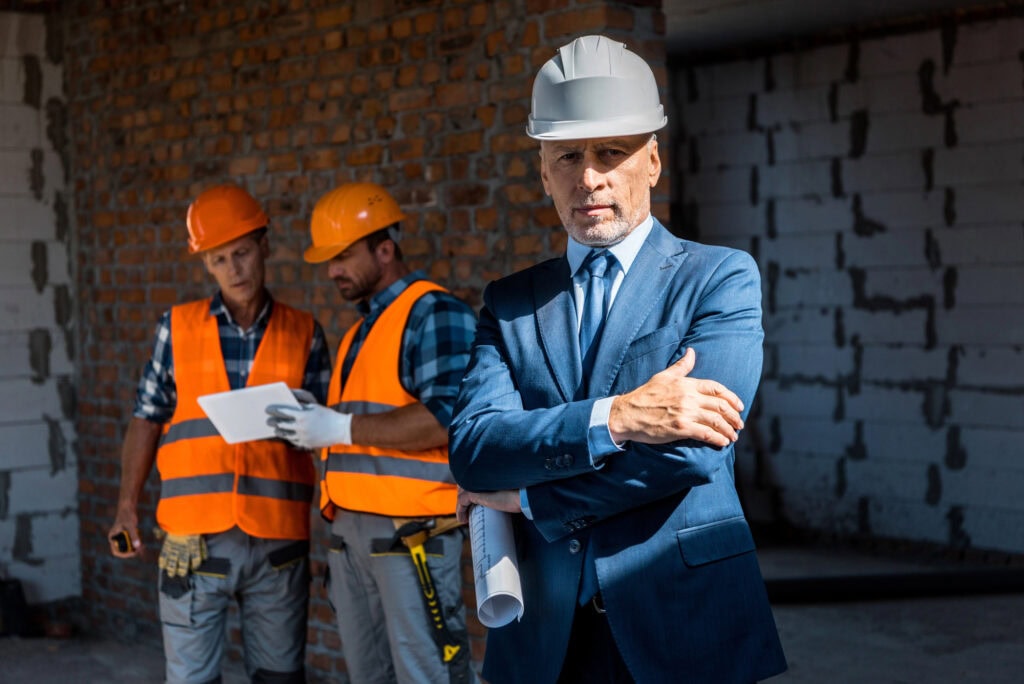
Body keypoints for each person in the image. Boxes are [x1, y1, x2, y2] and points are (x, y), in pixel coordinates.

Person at [448, 35, 788, 684]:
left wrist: (528, 498)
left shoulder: (718, 280)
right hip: (547, 639)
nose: (589, 177)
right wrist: (618, 417)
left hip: (684, 625)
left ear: (653, 162)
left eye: (612, 152)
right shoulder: (512, 302)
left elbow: (692, 453)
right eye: (567, 155)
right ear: (543, 171)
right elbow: (473, 450)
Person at [107, 184, 332, 684]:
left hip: (278, 541)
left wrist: (337, 526)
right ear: (205, 264)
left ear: (265, 245)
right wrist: (127, 506)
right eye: (219, 259)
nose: (234, 269)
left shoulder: (305, 332)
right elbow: (146, 417)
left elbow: (327, 438)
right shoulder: (178, 328)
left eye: (242, 253)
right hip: (194, 541)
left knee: (280, 677)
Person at [266, 182, 478, 684]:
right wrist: (316, 420)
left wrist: (338, 425)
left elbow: (447, 417)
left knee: (429, 673)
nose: (332, 271)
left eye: (342, 256)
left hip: (412, 538)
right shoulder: (360, 331)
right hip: (353, 537)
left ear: (385, 249)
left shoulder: (434, 312)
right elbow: (370, 423)